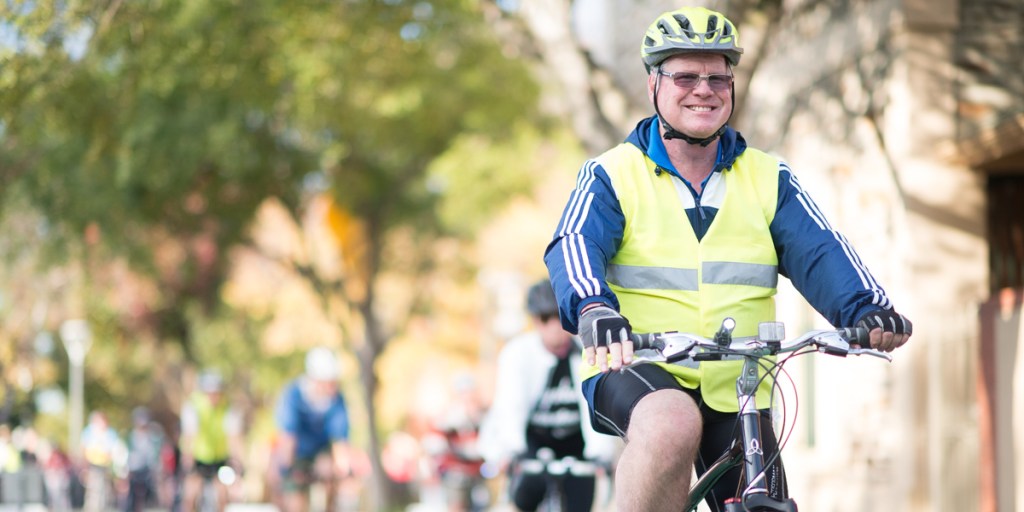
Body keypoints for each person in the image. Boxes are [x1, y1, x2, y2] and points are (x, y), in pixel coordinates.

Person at [543, 6, 914, 512]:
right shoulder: (612, 174)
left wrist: (865, 308)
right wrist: (594, 309)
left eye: (719, 76)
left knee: (763, 500)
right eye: (686, 76)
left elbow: (820, 249)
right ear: (654, 84)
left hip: (740, 380)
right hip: (638, 365)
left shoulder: (766, 176)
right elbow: (574, 244)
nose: (704, 89)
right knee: (671, 423)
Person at [477, 279, 619, 512]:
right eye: (545, 318)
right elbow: (510, 405)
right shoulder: (517, 353)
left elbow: (596, 404)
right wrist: (512, 451)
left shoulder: (587, 350)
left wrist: (601, 454)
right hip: (533, 442)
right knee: (521, 500)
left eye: (560, 317)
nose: (554, 326)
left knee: (582, 503)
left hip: (577, 445)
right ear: (535, 321)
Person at [272, 346, 353, 512]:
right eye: (328, 382)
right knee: (295, 500)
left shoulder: (337, 399)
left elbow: (339, 440)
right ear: (315, 379)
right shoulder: (293, 395)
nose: (333, 387)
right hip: (297, 452)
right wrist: (286, 469)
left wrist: (341, 468)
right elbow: (288, 437)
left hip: (321, 451)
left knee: (331, 478)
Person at [179, 369, 244, 512]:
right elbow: (189, 435)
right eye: (210, 393)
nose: (214, 396)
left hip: (220, 457)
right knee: (190, 497)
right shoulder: (193, 407)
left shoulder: (229, 408)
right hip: (198, 457)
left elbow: (234, 437)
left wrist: (238, 461)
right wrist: (187, 457)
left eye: (217, 392)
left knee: (222, 496)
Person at [79, 411, 126, 512]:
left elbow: (115, 450)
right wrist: (84, 466)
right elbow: (84, 449)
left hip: (105, 466)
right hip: (93, 465)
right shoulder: (89, 432)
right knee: (93, 491)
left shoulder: (110, 433)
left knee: (105, 491)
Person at [123, 406, 168, 512]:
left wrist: (157, 469)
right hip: (134, 469)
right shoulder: (130, 437)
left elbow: (156, 454)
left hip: (149, 469)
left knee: (153, 493)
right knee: (132, 497)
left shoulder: (153, 437)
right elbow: (126, 455)